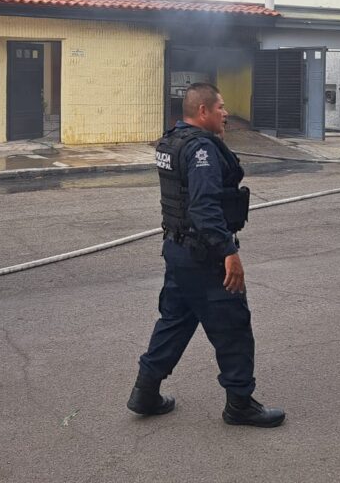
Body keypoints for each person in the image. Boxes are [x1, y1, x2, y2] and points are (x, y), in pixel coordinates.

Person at [126, 83, 285, 427]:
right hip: (204, 254)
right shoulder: (201, 149)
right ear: (203, 112)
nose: (226, 113)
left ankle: (145, 392)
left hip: (178, 250)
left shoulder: (171, 140)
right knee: (233, 327)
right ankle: (240, 405)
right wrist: (228, 251)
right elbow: (203, 207)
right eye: (221, 108)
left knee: (175, 321)